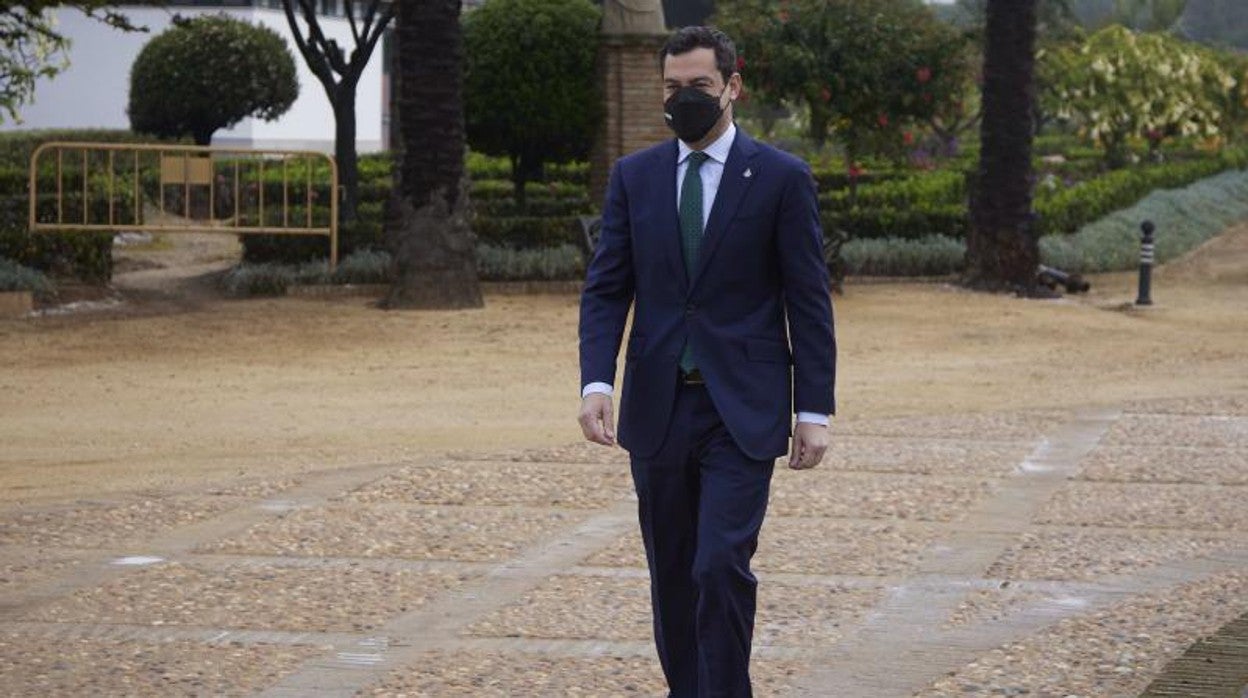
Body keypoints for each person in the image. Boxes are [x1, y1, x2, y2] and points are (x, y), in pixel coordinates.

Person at [577, 26, 837, 698]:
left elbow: (808, 301)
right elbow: (608, 287)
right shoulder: (634, 178)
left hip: (742, 410)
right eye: (671, 87)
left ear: (732, 87)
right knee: (671, 572)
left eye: (697, 86)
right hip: (658, 409)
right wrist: (596, 381)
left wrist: (814, 410)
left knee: (720, 562)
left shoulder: (782, 178)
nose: (682, 98)